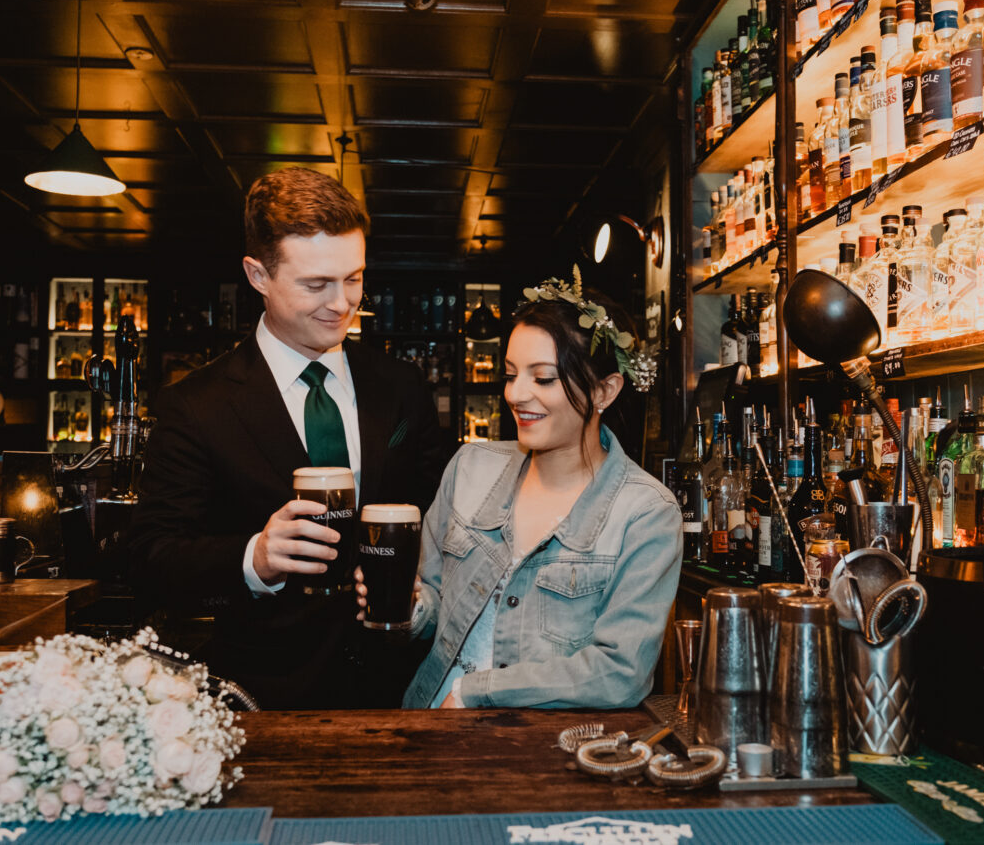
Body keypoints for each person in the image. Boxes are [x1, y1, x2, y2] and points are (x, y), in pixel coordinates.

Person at [130, 166, 448, 709]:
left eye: (354, 278)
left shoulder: (400, 387)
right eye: (315, 284)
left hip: (400, 690)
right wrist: (256, 557)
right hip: (265, 697)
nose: (342, 302)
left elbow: (443, 511)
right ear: (258, 276)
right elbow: (153, 558)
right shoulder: (197, 405)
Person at [359, 271, 681, 708]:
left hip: (546, 753)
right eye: (511, 374)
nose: (516, 393)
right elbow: (431, 596)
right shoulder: (471, 467)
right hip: (431, 724)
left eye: (543, 378)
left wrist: (479, 693)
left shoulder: (646, 513)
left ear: (605, 390)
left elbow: (619, 672)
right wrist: (409, 605)